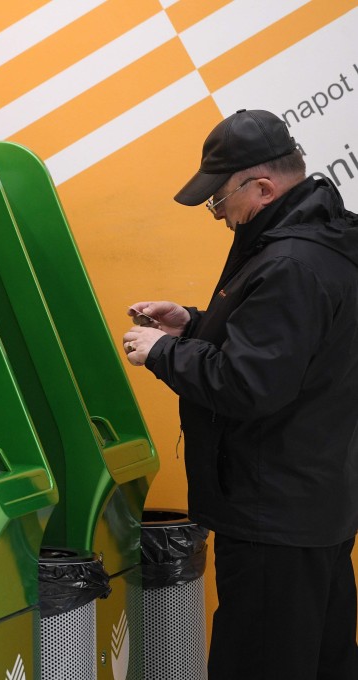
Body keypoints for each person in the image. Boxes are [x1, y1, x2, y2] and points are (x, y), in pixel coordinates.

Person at [122, 109, 358, 679]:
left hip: (269, 514)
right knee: (320, 661)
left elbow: (249, 384)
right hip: (314, 504)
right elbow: (292, 351)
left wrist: (162, 351)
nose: (220, 215)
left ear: (264, 187)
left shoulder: (288, 263)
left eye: (220, 200)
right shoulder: (325, 243)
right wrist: (195, 325)